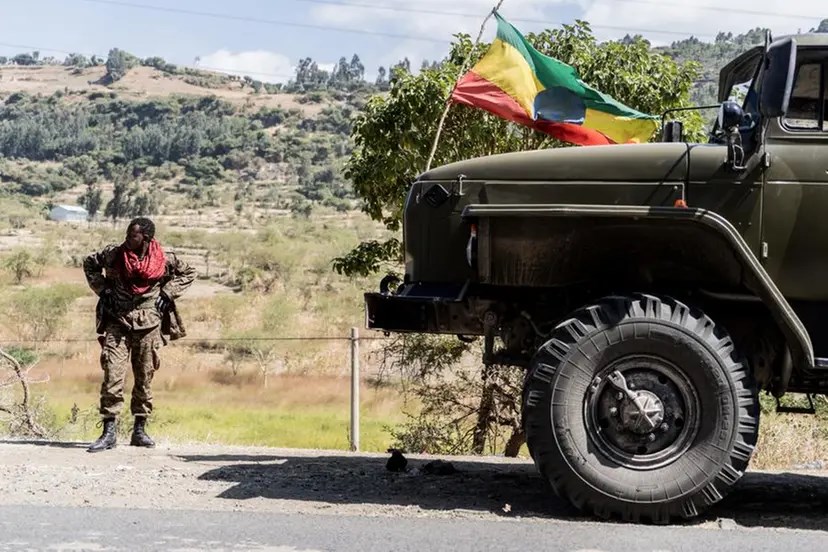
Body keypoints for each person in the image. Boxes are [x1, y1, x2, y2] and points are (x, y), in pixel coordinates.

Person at [83, 217, 196, 453]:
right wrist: (103, 290)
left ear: (145, 238)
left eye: (133, 235)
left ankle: (139, 430)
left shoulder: (164, 259)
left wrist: (168, 292)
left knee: (144, 377)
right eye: (127, 233)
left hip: (149, 324)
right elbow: (89, 264)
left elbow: (189, 272)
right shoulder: (113, 254)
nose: (127, 238)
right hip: (117, 321)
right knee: (112, 374)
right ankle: (109, 432)